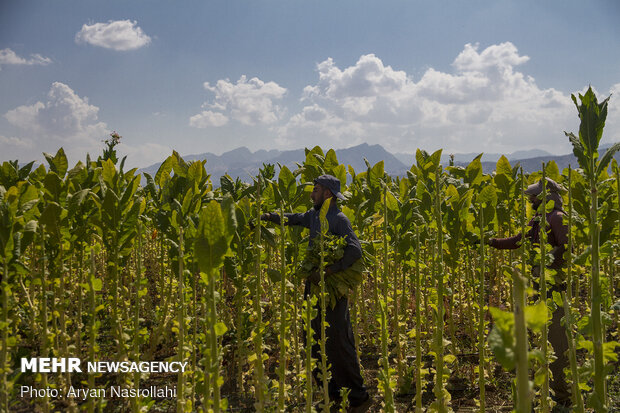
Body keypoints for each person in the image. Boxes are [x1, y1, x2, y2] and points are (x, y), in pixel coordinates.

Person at [261, 174, 372, 412]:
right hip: (314, 287)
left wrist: (330, 270)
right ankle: (330, 393)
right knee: (313, 339)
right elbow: (295, 219)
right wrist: (271, 217)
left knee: (338, 341)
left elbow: (355, 250)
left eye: (316, 189)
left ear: (328, 194)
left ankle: (358, 397)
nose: (312, 193)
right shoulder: (314, 216)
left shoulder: (339, 219)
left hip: (331, 289)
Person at [487, 177, 571, 407]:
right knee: (530, 333)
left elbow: (567, 247)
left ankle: (563, 396)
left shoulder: (557, 218)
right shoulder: (537, 220)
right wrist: (492, 242)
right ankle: (538, 387)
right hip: (535, 283)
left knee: (555, 337)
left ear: (548, 196)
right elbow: (517, 240)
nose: (531, 199)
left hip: (552, 286)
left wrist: (548, 259)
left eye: (535, 195)